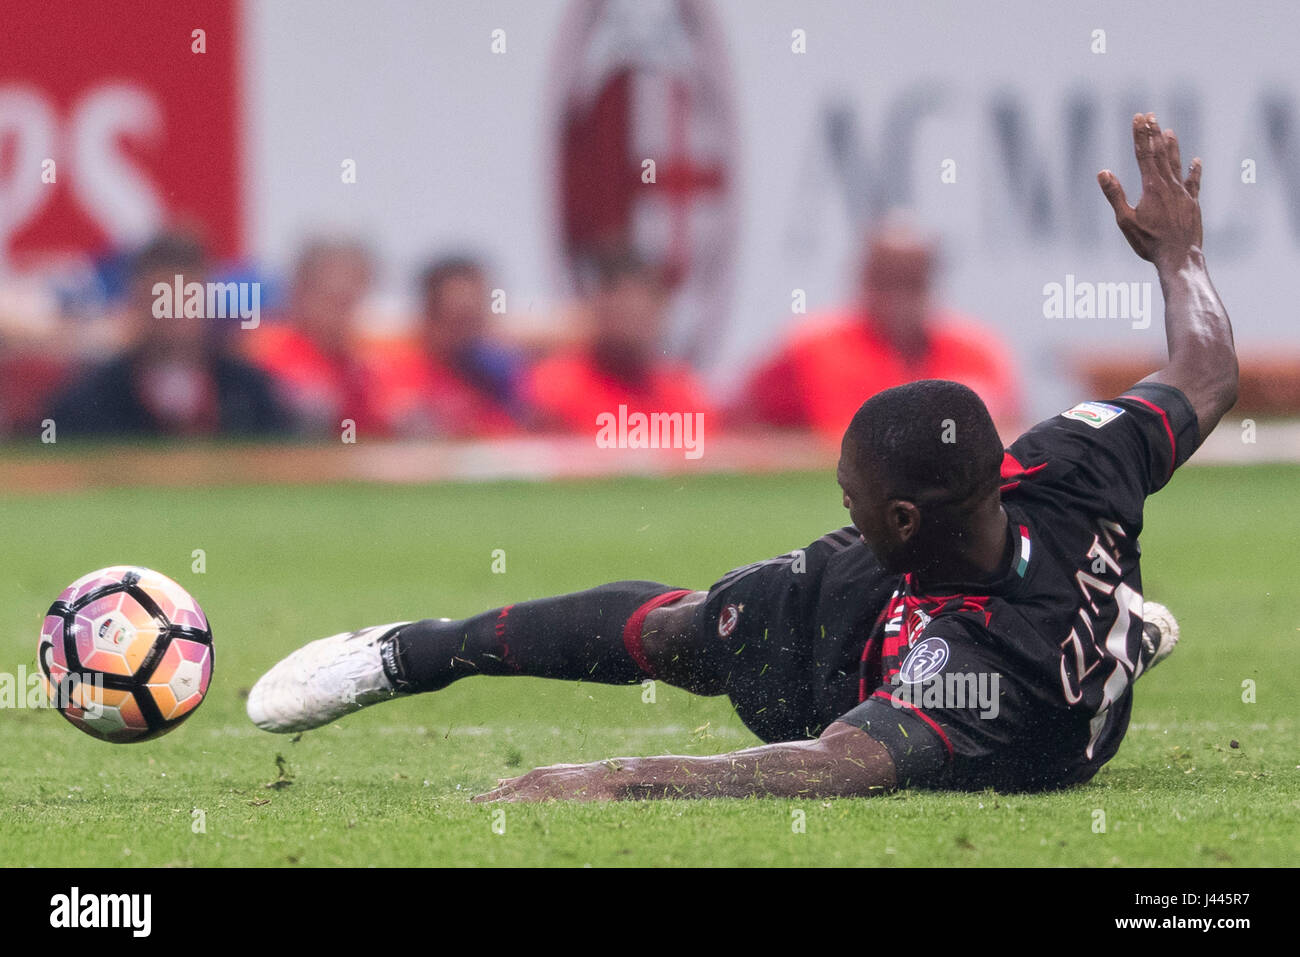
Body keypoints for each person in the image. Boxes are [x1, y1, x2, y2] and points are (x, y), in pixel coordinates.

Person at [246, 115, 1235, 801]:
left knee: (695, 646)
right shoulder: (1071, 463)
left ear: (898, 521)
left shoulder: (969, 671)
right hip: (974, 596)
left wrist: (615, 778)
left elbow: (840, 764)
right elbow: (1205, 374)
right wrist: (1178, 256)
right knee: (687, 626)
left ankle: (1100, 643)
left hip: (920, 679)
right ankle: (404, 654)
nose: (838, 509)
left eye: (852, 498)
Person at [736, 212, 1020, 439]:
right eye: (885, 280)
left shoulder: (975, 352)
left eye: (912, 280)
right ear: (862, 280)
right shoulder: (814, 348)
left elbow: (1005, 437)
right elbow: (737, 429)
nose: (898, 295)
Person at [49, 232, 288, 438]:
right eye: (160, 301)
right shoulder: (91, 401)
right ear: (136, 303)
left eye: (186, 300)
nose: (174, 315)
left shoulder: (250, 393)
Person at [524, 250, 714, 432]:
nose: (630, 319)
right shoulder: (555, 389)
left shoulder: (683, 395)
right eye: (621, 308)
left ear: (660, 311)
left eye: (641, 310)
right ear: (597, 305)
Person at [364, 256, 530, 437]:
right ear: (429, 314)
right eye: (460, 318)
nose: (472, 330)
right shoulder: (397, 374)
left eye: (478, 316)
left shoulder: (498, 374)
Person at [247, 237, 378, 436]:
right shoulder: (264, 353)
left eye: (353, 301)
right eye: (335, 300)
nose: (344, 315)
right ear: (300, 292)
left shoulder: (359, 368)